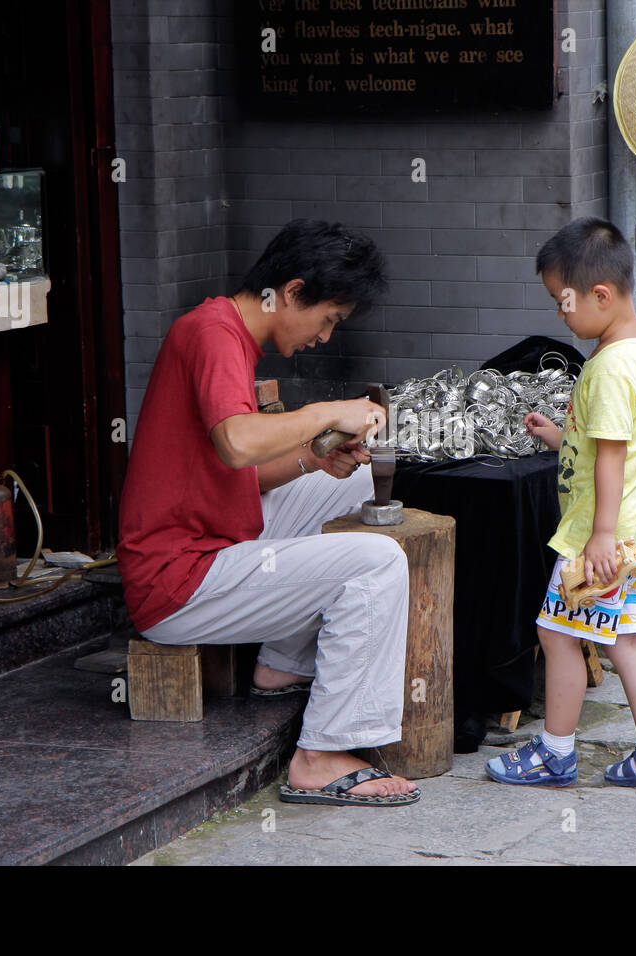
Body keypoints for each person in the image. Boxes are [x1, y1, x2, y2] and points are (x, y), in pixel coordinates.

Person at [117, 219, 419, 807]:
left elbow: (237, 471)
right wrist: (329, 409)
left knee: (350, 475)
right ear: (292, 290)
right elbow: (237, 442)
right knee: (378, 562)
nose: (326, 336)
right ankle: (323, 754)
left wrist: (313, 460)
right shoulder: (211, 334)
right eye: (328, 318)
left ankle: (282, 664)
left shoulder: (224, 331)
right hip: (176, 581)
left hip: (214, 543)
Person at [485, 218, 636, 791]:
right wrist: (559, 436)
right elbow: (609, 441)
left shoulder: (610, 368)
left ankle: (555, 752)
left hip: (601, 542)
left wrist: (597, 536)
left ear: (601, 295)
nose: (560, 315)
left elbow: (613, 457)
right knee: (624, 642)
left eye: (562, 302)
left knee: (557, 634)